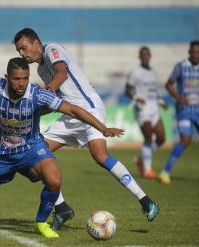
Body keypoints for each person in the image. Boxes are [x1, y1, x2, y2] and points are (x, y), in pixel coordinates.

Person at [0, 57, 124, 238]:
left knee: (54, 179)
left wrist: (102, 128)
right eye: (16, 79)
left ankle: (41, 223)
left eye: (25, 78)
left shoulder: (38, 94)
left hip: (31, 148)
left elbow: (73, 110)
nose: (21, 83)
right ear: (7, 77)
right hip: (2, 152)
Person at [13, 28, 160, 230]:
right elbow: (56, 101)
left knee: (100, 156)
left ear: (36, 42)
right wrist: (32, 111)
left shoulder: (52, 50)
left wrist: (48, 89)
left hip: (89, 107)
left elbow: (61, 73)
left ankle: (145, 200)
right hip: (70, 115)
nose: (22, 53)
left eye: (23, 47)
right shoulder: (40, 70)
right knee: (32, 158)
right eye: (18, 50)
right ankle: (62, 207)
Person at [159, 40, 199, 184]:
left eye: (198, 52)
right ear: (189, 52)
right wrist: (178, 97)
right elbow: (168, 84)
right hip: (184, 110)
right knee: (186, 139)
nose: (195, 55)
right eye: (193, 52)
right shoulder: (181, 67)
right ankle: (165, 172)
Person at [125, 46, 168, 179]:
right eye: (143, 55)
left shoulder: (153, 72)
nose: (145, 57)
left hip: (154, 108)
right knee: (148, 138)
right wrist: (136, 98)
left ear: (150, 56)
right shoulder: (135, 72)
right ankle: (147, 170)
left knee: (161, 138)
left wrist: (161, 101)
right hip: (142, 109)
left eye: (147, 55)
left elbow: (153, 91)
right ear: (139, 57)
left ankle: (141, 159)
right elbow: (127, 90)